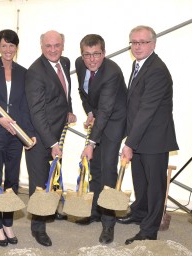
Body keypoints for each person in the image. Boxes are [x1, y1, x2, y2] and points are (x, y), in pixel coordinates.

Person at [118, 25, 178, 244]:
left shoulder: (157, 70)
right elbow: (133, 105)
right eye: (134, 42)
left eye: (142, 42)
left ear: (153, 43)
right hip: (140, 136)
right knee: (141, 182)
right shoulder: (138, 65)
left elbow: (146, 110)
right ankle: (140, 213)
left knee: (155, 187)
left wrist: (129, 143)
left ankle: (150, 228)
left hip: (154, 140)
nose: (137, 46)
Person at [0, 29, 36, 247]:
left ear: (16, 48)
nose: (8, 49)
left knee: (12, 179)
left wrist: (29, 133)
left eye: (12, 45)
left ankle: (8, 222)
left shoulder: (24, 72)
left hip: (16, 135)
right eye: (4, 45)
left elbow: (26, 106)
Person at [25, 30, 76, 247]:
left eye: (57, 45)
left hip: (57, 130)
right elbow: (37, 113)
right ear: (41, 47)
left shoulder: (64, 62)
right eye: (48, 46)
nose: (53, 50)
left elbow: (65, 92)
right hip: (39, 136)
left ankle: (52, 210)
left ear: (63, 46)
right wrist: (53, 143)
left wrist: (69, 111)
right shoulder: (35, 71)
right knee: (39, 183)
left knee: (54, 176)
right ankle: (38, 228)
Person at [74, 34, 127, 244]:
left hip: (115, 121)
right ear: (82, 55)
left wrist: (90, 143)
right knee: (94, 168)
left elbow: (105, 111)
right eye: (87, 55)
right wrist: (89, 113)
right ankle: (95, 210)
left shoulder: (111, 72)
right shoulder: (80, 64)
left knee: (107, 170)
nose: (92, 59)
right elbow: (83, 91)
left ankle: (108, 222)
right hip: (99, 115)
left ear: (103, 53)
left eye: (96, 54)